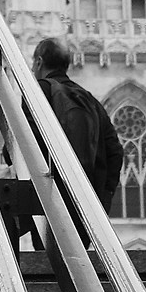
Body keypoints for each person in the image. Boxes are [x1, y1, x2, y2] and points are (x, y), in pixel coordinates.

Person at [31, 37, 125, 210]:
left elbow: (27, 138)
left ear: (39, 62)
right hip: (87, 201)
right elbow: (115, 152)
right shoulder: (89, 100)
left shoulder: (39, 90)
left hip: (51, 199)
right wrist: (104, 196)